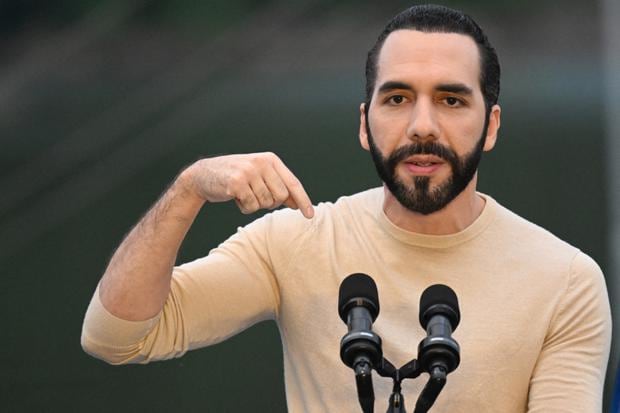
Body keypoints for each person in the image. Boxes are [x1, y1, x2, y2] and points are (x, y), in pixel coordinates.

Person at [81, 4, 612, 412]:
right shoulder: (297, 241)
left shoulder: (564, 280)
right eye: (397, 99)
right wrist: (188, 189)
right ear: (364, 124)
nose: (422, 126)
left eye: (451, 100)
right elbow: (115, 337)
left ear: (492, 125)